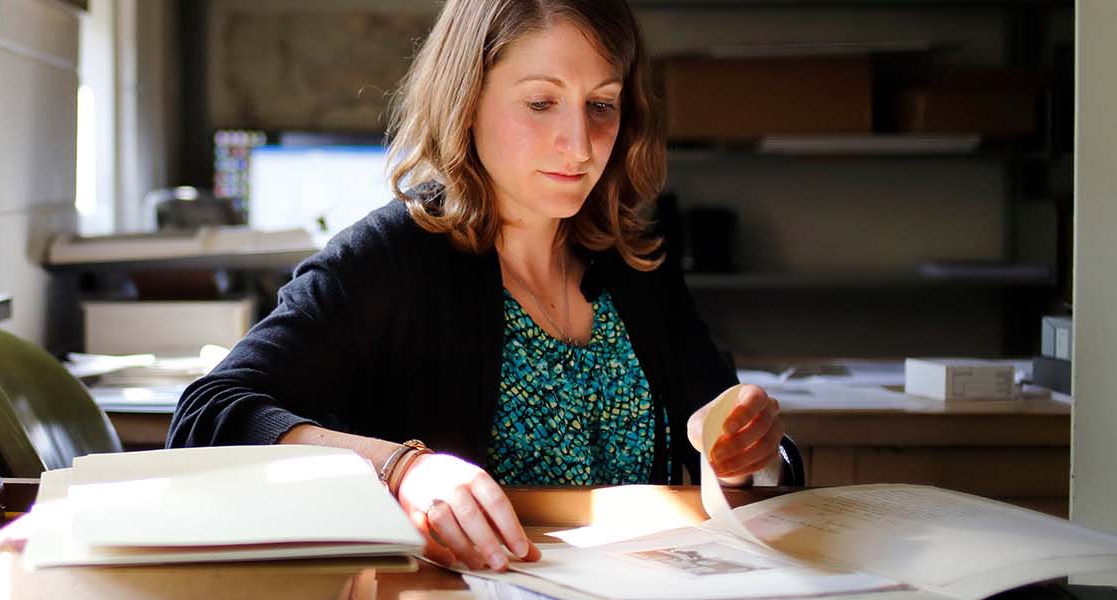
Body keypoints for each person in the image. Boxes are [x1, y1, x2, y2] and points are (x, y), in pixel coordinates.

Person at [166, 0, 785, 574]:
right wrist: (398, 470)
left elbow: (735, 448)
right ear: (467, 99)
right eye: (541, 103)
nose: (580, 145)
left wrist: (752, 458)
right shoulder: (389, 258)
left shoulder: (637, 265)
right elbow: (207, 416)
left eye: (602, 105)